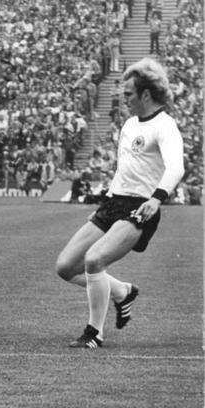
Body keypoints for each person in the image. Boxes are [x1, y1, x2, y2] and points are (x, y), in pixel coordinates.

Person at [55, 58, 185, 348]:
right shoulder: (128, 124)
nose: (124, 99)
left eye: (128, 94)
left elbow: (176, 168)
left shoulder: (165, 125)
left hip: (141, 207)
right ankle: (122, 292)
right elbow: (125, 169)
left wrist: (156, 199)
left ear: (146, 95)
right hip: (114, 203)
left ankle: (94, 333)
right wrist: (106, 201)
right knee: (65, 266)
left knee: (94, 259)